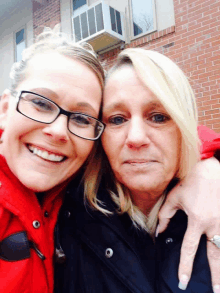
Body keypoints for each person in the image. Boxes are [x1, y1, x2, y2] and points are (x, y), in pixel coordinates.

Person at [55, 48, 220, 293]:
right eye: (117, 119)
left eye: (159, 116)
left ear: (185, 126)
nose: (136, 138)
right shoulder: (64, 214)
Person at [0, 30, 105, 293]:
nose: (58, 132)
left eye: (82, 119)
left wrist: (205, 167)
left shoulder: (85, 190)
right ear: (4, 109)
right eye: (41, 103)